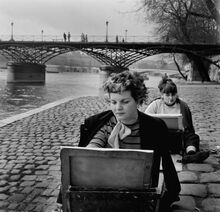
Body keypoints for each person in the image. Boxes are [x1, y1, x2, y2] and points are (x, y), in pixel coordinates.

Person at [79, 71, 180, 211]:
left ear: (138, 101)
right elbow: (89, 153)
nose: (117, 108)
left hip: (139, 190)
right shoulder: (102, 124)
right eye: (113, 102)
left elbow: (167, 164)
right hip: (106, 186)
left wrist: (171, 195)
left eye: (125, 102)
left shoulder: (155, 127)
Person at [145, 77, 209, 164]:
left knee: (192, 137)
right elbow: (145, 120)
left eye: (173, 94)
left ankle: (191, 154)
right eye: (167, 95)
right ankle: (186, 155)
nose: (171, 98)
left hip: (177, 137)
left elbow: (189, 128)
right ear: (162, 95)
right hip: (161, 137)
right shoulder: (155, 105)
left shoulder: (182, 106)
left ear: (176, 94)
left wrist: (183, 128)